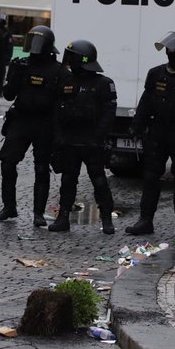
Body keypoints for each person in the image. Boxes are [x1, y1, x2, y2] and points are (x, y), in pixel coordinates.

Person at [126, 31, 175, 237]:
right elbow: (146, 100)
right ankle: (145, 220)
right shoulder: (156, 73)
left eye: (172, 50)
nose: (168, 53)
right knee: (150, 176)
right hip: (158, 131)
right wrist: (137, 124)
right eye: (167, 50)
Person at [0, 25, 63, 226]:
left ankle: (38, 213)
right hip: (21, 119)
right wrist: (15, 75)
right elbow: (8, 94)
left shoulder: (58, 70)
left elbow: (62, 102)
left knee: (41, 169)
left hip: (44, 123)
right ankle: (9, 207)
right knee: (7, 163)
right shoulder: (21, 65)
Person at [49, 40, 118, 234]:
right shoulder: (67, 81)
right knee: (68, 180)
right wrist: (58, 136)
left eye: (73, 57)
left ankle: (106, 218)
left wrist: (98, 137)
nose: (69, 62)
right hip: (70, 140)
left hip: (92, 142)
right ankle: (63, 217)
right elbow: (57, 111)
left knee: (99, 180)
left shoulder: (103, 83)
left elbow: (108, 113)